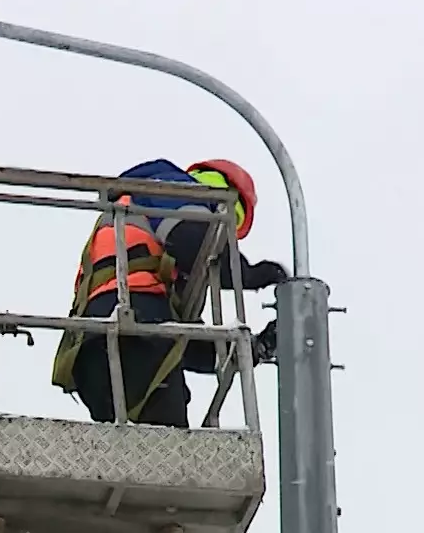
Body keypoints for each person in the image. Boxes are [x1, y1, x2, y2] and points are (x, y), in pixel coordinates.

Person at [50, 158, 287, 428]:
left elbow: (186, 342)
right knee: (175, 454)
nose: (225, 235)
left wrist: (255, 349)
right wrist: (249, 274)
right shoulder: (170, 187)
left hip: (95, 353)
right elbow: (193, 241)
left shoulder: (140, 222)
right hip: (135, 338)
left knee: (149, 458)